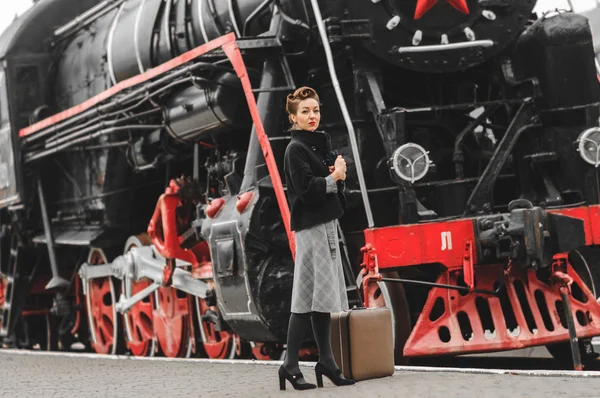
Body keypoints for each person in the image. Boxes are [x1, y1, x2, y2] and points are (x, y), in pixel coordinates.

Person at [278, 86, 356, 391]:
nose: (313, 116)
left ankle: (327, 362)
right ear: (293, 117)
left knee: (321, 298)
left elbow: (328, 189)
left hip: (326, 225)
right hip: (311, 228)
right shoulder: (294, 149)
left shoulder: (319, 145)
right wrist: (335, 177)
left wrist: (338, 176)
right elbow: (307, 192)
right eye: (305, 112)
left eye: (316, 110)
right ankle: (290, 364)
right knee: (306, 297)